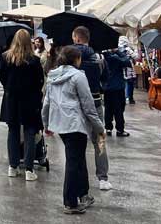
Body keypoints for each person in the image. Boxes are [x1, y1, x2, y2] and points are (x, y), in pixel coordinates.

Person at [43, 46, 107, 215]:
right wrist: (99, 127)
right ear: (77, 59)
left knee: (77, 158)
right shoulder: (78, 76)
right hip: (75, 123)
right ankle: (70, 201)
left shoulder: (52, 76)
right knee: (73, 161)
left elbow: (47, 102)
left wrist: (46, 124)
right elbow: (88, 105)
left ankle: (83, 193)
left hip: (60, 123)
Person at [0, 29, 45, 181]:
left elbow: (2, 77)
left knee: (13, 131)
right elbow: (40, 81)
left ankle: (13, 166)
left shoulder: (6, 57)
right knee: (30, 132)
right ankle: (29, 169)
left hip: (12, 99)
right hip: (30, 100)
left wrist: (9, 88)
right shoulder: (34, 60)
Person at [72, 26, 111, 190]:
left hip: (75, 104)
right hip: (95, 101)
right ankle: (102, 178)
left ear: (77, 38)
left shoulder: (71, 57)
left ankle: (77, 176)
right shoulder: (99, 57)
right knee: (99, 140)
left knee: (76, 142)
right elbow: (106, 78)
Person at [102, 41, 132, 137]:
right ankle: (120, 129)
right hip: (117, 86)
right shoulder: (115, 57)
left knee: (108, 108)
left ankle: (108, 128)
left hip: (107, 86)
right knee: (118, 109)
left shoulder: (103, 56)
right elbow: (127, 61)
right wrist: (118, 51)